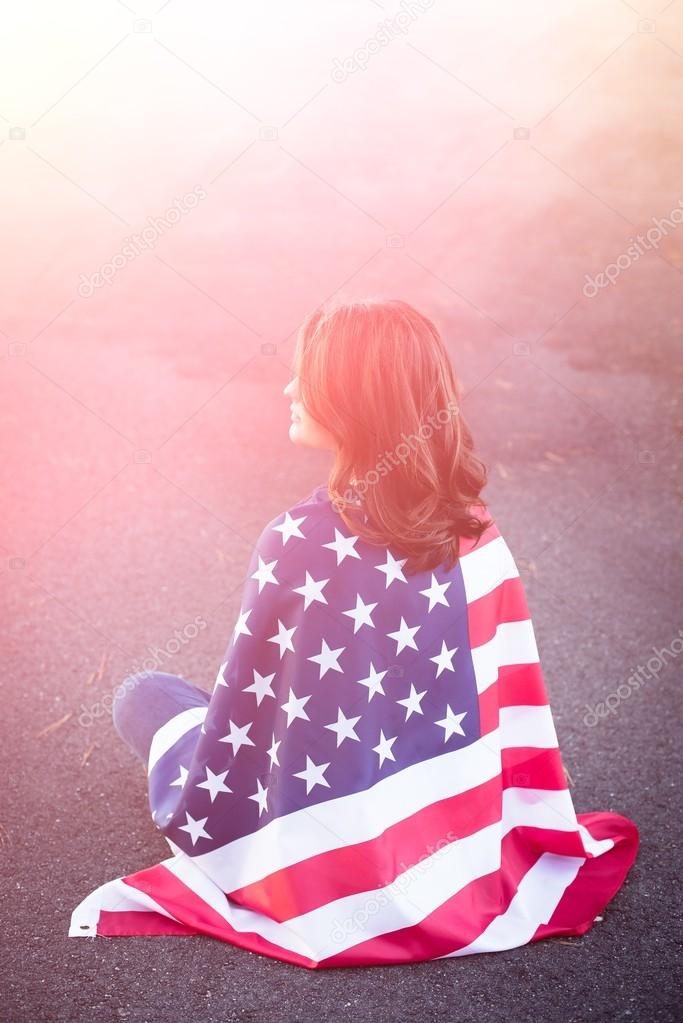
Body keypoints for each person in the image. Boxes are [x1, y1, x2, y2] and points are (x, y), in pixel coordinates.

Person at [70, 297, 638, 968]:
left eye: (304, 376)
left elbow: (243, 724)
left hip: (317, 831)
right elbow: (501, 701)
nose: (287, 389)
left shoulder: (295, 542)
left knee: (144, 692)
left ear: (350, 399)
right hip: (443, 808)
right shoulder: (474, 531)